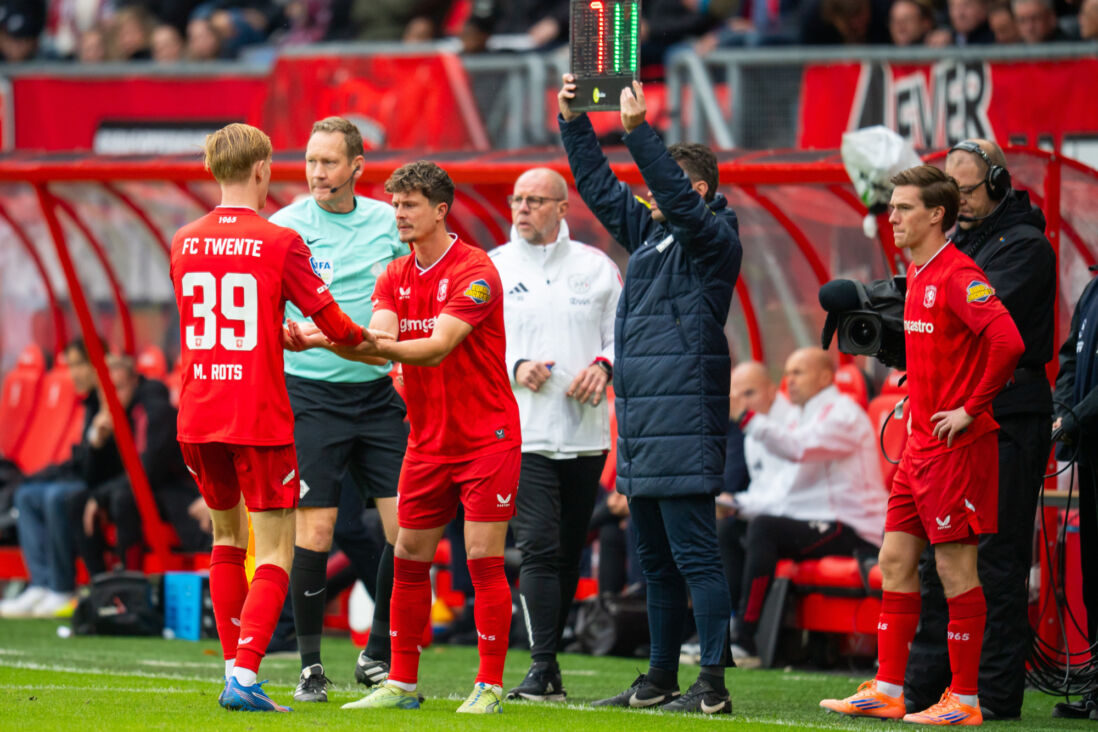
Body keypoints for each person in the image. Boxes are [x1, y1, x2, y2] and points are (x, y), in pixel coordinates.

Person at [297, 160, 522, 714]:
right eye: (395, 204)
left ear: (440, 210)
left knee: (481, 559)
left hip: (486, 439)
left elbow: (436, 346)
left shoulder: (476, 270)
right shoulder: (393, 277)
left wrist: (346, 340)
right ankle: (399, 681)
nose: (398, 214)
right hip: (427, 442)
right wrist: (321, 339)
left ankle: (490, 684)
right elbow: (378, 342)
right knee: (409, 555)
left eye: (410, 205)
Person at [558, 74, 742, 715]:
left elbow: (681, 205)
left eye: (658, 182)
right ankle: (661, 678)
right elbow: (601, 191)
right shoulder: (655, 238)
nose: (644, 195)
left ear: (690, 188)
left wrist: (638, 132)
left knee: (696, 559)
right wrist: (575, 121)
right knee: (657, 566)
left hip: (683, 422)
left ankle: (712, 686)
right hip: (642, 429)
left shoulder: (713, 243)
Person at [170, 122, 366, 713]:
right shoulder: (279, 240)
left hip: (199, 412)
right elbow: (333, 324)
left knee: (225, 541)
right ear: (262, 170)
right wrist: (377, 346)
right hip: (257, 415)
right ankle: (248, 677)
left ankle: (235, 668)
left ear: (213, 169)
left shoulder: (183, 238)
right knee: (276, 550)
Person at [820, 164, 1024, 725]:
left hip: (954, 449)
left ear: (937, 214)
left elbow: (1008, 340)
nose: (893, 218)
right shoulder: (919, 275)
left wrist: (970, 408)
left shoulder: (958, 273)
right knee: (893, 559)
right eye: (891, 208)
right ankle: (889, 688)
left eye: (904, 208)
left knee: (957, 573)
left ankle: (965, 699)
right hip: (918, 447)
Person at [904, 139, 1056, 720]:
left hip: (1007, 416)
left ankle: (991, 696)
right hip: (956, 418)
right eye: (951, 190)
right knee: (938, 559)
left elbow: (984, 333)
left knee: (994, 558)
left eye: (966, 190)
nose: (957, 201)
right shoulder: (957, 248)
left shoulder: (1024, 247)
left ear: (996, 183)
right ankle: (923, 690)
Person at [268, 116, 408, 703]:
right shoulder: (284, 226)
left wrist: (404, 359)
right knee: (317, 533)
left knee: (410, 532)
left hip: (377, 395)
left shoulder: (386, 223)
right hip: (313, 395)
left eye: (329, 162)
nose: (317, 173)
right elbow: (261, 309)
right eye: (310, 162)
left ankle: (377, 652)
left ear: (357, 167)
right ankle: (309, 668)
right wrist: (281, 331)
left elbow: (410, 292)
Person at [488, 167, 622, 702]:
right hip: (521, 434)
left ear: (562, 208)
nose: (522, 208)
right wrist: (515, 364)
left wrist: (605, 366)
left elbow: (624, 337)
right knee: (539, 548)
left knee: (567, 552)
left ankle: (550, 665)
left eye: (535, 200)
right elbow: (472, 345)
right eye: (517, 199)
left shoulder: (598, 268)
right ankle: (541, 666)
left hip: (587, 434)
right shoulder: (492, 268)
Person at [728, 348, 887, 655]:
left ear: (825, 376)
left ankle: (745, 640)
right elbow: (785, 490)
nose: (790, 381)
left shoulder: (844, 413)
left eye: (798, 372)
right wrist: (736, 503)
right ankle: (719, 630)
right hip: (824, 522)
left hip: (856, 527)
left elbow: (798, 448)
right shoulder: (801, 418)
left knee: (763, 528)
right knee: (731, 529)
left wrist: (746, 417)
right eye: (787, 373)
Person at [72, 353, 209, 575]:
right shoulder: (105, 412)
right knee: (76, 501)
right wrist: (96, 443)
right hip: (147, 488)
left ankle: (130, 581)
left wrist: (100, 496)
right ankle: (100, 585)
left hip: (178, 489)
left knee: (122, 499)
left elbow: (149, 470)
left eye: (118, 388)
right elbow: (89, 478)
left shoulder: (151, 410)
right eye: (105, 390)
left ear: (135, 382)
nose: (111, 397)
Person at [0, 339, 99, 618]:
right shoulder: (88, 404)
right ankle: (40, 583)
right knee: (26, 494)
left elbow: (94, 464)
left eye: (80, 364)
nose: (74, 374)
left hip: (96, 484)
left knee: (56, 495)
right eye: (71, 366)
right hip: (80, 477)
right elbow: (78, 458)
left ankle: (62, 587)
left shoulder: (107, 403)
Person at [1050, 268, 1098, 718]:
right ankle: (1096, 688)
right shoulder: (1092, 290)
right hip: (1089, 452)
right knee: (1093, 576)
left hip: (1088, 432)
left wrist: (1075, 417)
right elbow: (1069, 360)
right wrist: (1064, 411)